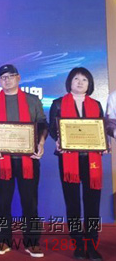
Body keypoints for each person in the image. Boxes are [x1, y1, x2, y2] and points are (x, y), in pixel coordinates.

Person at [0, 64, 47, 258]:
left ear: (18, 78)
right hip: (1, 159)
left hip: (29, 160)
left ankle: (32, 242)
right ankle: (3, 240)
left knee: (30, 202)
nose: (7, 80)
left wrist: (41, 144)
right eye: (3, 77)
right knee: (2, 202)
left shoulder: (32, 100)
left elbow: (42, 125)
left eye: (11, 76)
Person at [49, 67, 107, 261]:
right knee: (72, 203)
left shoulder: (96, 105)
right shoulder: (58, 104)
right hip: (68, 159)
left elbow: (100, 129)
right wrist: (59, 141)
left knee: (92, 204)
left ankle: (92, 245)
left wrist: (103, 145)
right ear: (70, 82)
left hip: (92, 161)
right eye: (76, 79)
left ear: (89, 83)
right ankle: (78, 245)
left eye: (84, 79)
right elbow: (52, 129)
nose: (80, 82)